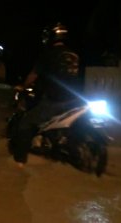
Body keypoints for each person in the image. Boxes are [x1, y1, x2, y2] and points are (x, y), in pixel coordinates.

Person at [11, 22, 80, 168]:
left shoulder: (47, 55)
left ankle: (20, 161)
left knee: (26, 122)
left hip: (55, 100)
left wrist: (23, 86)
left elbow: (33, 76)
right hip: (75, 100)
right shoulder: (73, 55)